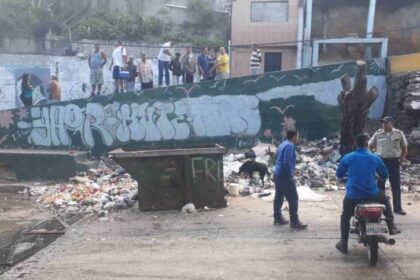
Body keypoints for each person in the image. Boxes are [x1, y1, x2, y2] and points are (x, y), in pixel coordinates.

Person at [336, 133, 401, 254]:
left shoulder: (348, 157)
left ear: (356, 144)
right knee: (385, 199)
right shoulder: (375, 157)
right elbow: (385, 175)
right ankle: (391, 225)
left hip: (353, 195)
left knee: (345, 216)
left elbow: (339, 174)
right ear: (367, 144)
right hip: (372, 193)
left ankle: (344, 243)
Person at [369, 116, 408, 215]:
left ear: (391, 123)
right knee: (380, 185)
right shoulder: (378, 134)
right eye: (383, 123)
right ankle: (381, 208)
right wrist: (372, 156)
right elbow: (370, 145)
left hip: (394, 162)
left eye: (386, 123)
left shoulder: (399, 134)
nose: (384, 125)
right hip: (381, 161)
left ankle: (398, 208)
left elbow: (404, 147)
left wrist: (403, 157)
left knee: (395, 185)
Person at [273, 130, 308, 229]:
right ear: (294, 137)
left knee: (279, 196)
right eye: (298, 136)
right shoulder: (290, 146)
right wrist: (290, 176)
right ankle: (294, 221)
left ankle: (277, 217)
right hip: (284, 175)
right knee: (293, 198)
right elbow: (286, 162)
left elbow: (279, 159)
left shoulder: (283, 144)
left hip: (278, 173)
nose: (298, 138)